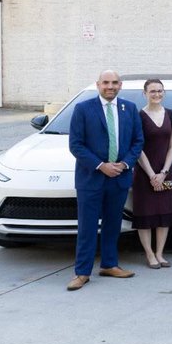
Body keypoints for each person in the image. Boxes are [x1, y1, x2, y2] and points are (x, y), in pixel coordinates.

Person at [67, 70, 145, 291]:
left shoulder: (129, 109)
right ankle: (82, 272)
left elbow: (138, 141)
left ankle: (110, 265)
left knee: (113, 224)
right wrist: (101, 166)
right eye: (106, 83)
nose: (110, 86)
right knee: (88, 227)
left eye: (114, 83)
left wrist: (125, 164)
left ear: (120, 85)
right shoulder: (83, 109)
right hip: (91, 178)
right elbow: (76, 145)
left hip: (119, 177)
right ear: (98, 84)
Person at [132, 79, 172, 269]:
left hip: (165, 172)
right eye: (152, 91)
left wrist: (163, 172)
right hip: (145, 174)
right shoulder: (138, 116)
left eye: (160, 91)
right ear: (145, 93)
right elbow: (138, 148)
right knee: (145, 215)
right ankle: (149, 254)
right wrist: (152, 175)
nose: (157, 94)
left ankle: (160, 253)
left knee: (163, 214)